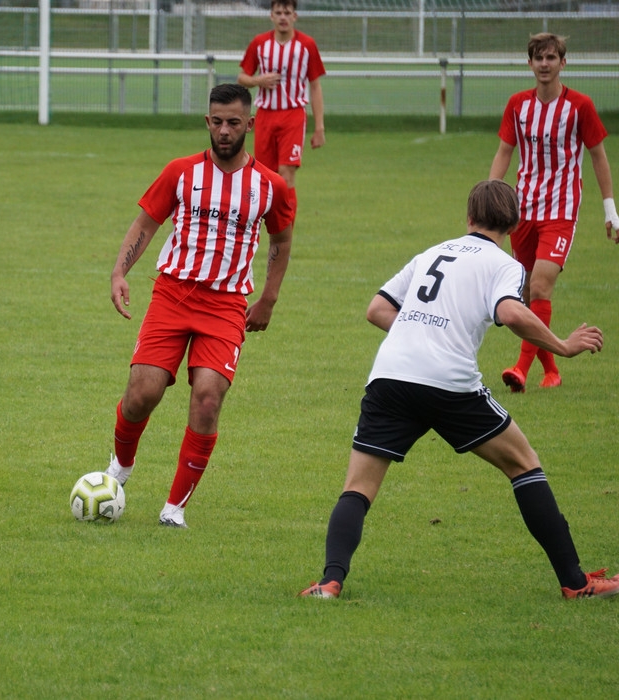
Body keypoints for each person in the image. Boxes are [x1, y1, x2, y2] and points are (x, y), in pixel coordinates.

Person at [299, 179, 618, 600]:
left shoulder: (431, 253)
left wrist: (418, 334)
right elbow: (511, 312)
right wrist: (562, 345)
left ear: (468, 216)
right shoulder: (504, 264)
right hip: (450, 383)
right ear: (513, 224)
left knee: (357, 488)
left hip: (391, 375)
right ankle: (576, 583)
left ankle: (329, 582)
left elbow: (377, 310)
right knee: (524, 465)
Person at [106, 83, 295, 528]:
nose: (224, 130)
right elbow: (146, 223)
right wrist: (119, 272)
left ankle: (174, 509)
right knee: (142, 394)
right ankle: (120, 467)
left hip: (226, 305)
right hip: (172, 294)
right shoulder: (181, 172)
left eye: (234, 123)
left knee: (208, 399)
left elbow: (281, 240)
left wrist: (268, 298)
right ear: (207, 122)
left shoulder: (271, 186)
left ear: (250, 124)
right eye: (217, 121)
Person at [490, 32, 619, 393]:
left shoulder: (579, 106)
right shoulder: (518, 105)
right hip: (524, 210)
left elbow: (598, 156)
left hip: (561, 211)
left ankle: (520, 369)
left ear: (563, 63)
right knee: (527, 293)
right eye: (538, 58)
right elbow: (504, 152)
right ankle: (551, 371)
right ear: (529, 63)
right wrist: (489, 200)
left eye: (551, 58)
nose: (544, 64)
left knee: (541, 285)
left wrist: (610, 209)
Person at [236, 0, 325, 191]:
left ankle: (287, 213)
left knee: (286, 173)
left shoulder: (307, 45)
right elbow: (242, 78)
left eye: (287, 13)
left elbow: (315, 86)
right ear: (271, 16)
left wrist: (319, 127)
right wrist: (258, 80)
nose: (283, 17)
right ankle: (267, 211)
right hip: (265, 116)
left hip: (293, 115)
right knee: (265, 176)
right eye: (278, 13)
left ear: (295, 16)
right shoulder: (260, 43)